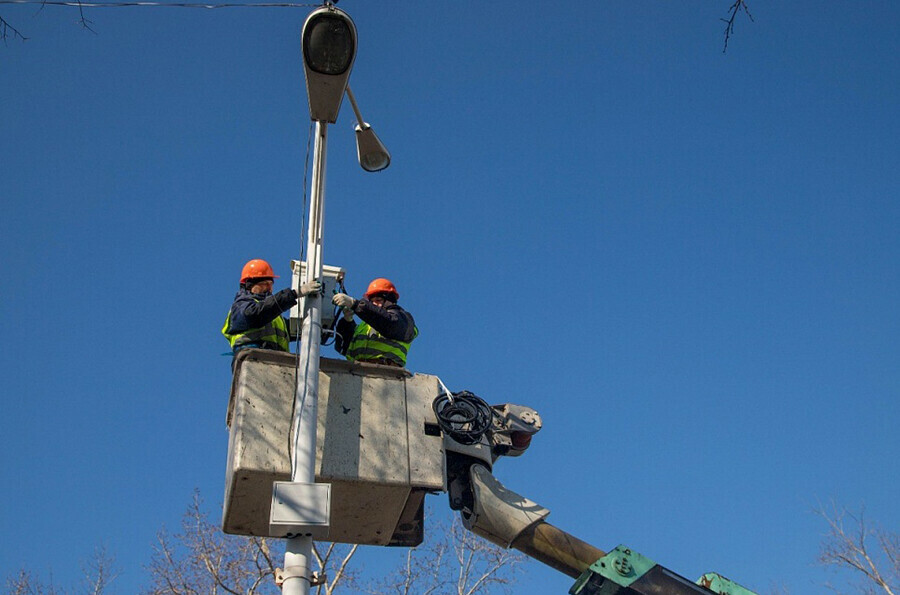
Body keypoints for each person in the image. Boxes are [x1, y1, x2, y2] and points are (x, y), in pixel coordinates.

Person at [222, 258, 322, 357]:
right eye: (265, 284)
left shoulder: (274, 316)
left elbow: (294, 329)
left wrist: (318, 325)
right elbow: (255, 314)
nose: (269, 289)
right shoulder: (241, 307)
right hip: (253, 360)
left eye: (271, 284)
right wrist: (294, 294)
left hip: (275, 365)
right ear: (249, 285)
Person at [332, 278, 417, 368]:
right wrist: (347, 321)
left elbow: (390, 323)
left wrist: (355, 304)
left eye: (378, 300)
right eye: (371, 301)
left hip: (386, 373)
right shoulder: (364, 327)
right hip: (357, 373)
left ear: (390, 300)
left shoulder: (403, 319)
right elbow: (343, 348)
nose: (374, 304)